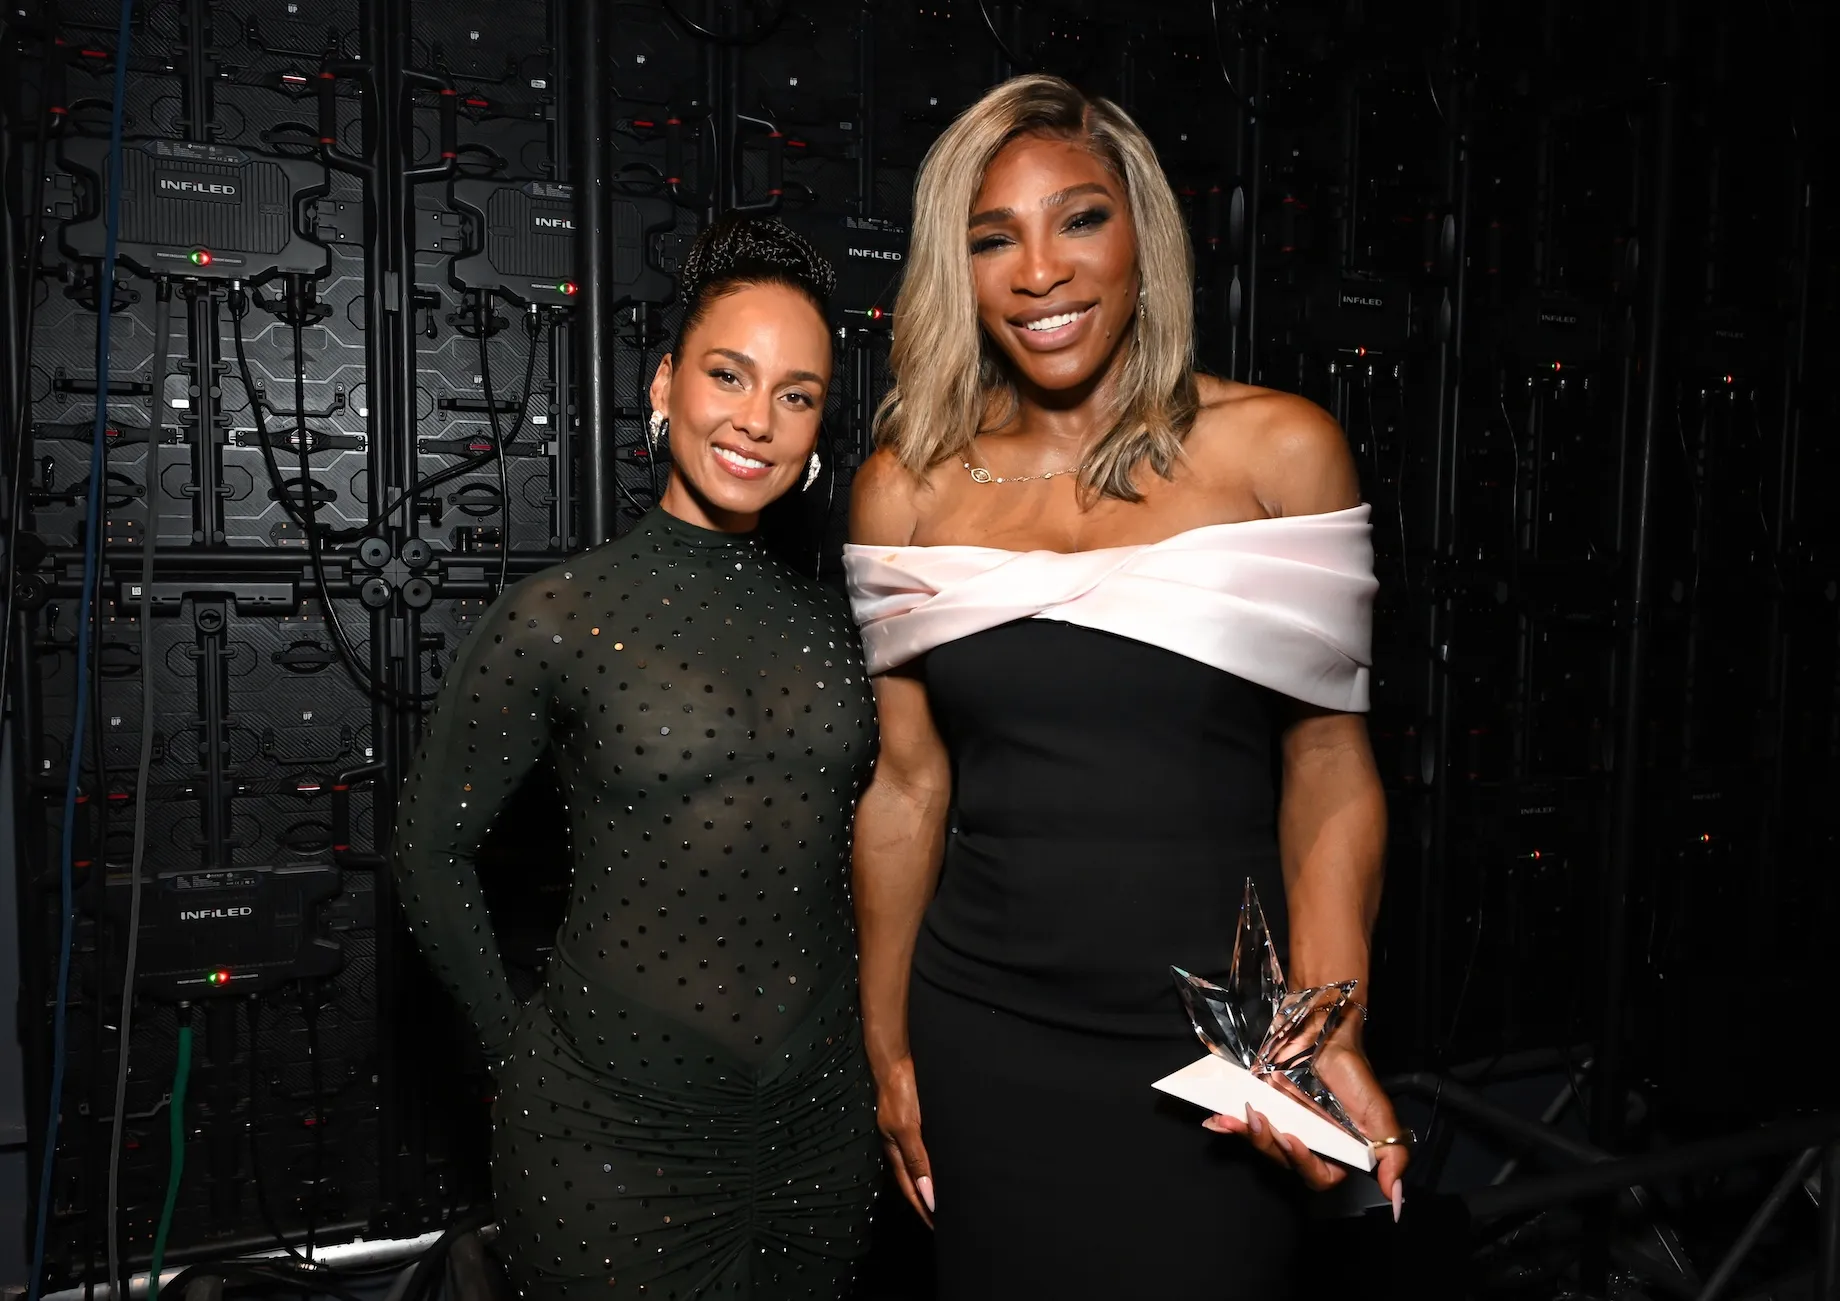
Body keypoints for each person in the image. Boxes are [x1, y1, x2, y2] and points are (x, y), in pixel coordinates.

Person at [845, 75, 1411, 1297]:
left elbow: (1328, 765)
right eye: (993, 237)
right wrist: (885, 1040)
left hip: (1214, 1047)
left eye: (1080, 219)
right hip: (983, 1031)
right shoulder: (908, 486)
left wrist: (1327, 1026)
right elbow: (905, 789)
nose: (1039, 270)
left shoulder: (1279, 449)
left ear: (1144, 232)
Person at [394, 215, 880, 1300]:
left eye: (796, 394)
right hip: (610, 1138)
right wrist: (513, 1057)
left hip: (818, 1131)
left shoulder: (834, 627)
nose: (758, 420)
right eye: (729, 375)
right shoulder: (560, 614)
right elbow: (431, 851)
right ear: (666, 385)